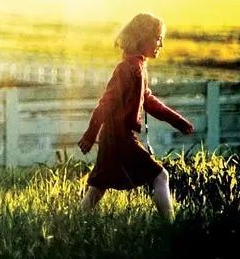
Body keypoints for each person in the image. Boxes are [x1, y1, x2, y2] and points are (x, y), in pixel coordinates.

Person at [78, 13, 195, 219]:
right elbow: (105, 104)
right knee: (160, 176)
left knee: (99, 186)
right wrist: (90, 136)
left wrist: (177, 121)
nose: (161, 44)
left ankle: (75, 221)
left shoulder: (138, 67)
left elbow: (147, 100)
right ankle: (170, 224)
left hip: (113, 138)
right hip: (120, 138)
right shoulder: (127, 69)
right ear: (143, 38)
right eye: (158, 38)